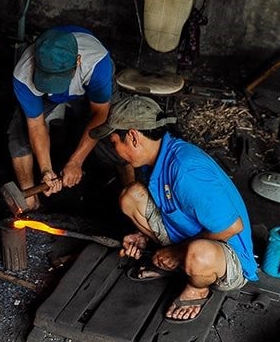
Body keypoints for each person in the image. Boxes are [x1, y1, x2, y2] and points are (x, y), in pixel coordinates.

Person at [89, 93, 258, 323]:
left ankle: (198, 288)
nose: (115, 149)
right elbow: (168, 207)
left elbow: (231, 227)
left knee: (199, 254)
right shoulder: (157, 160)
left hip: (227, 255)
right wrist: (143, 236)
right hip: (190, 237)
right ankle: (176, 262)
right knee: (131, 196)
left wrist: (177, 252)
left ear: (133, 137)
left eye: (114, 142)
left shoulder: (185, 170)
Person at [8, 26, 116, 210]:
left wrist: (76, 162)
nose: (52, 85)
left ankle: (126, 187)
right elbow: (35, 125)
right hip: (46, 96)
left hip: (87, 87)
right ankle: (28, 198)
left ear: (78, 61)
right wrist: (46, 170)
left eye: (57, 79)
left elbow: (100, 114)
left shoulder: (97, 62)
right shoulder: (23, 74)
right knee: (18, 135)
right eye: (46, 79)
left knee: (116, 131)